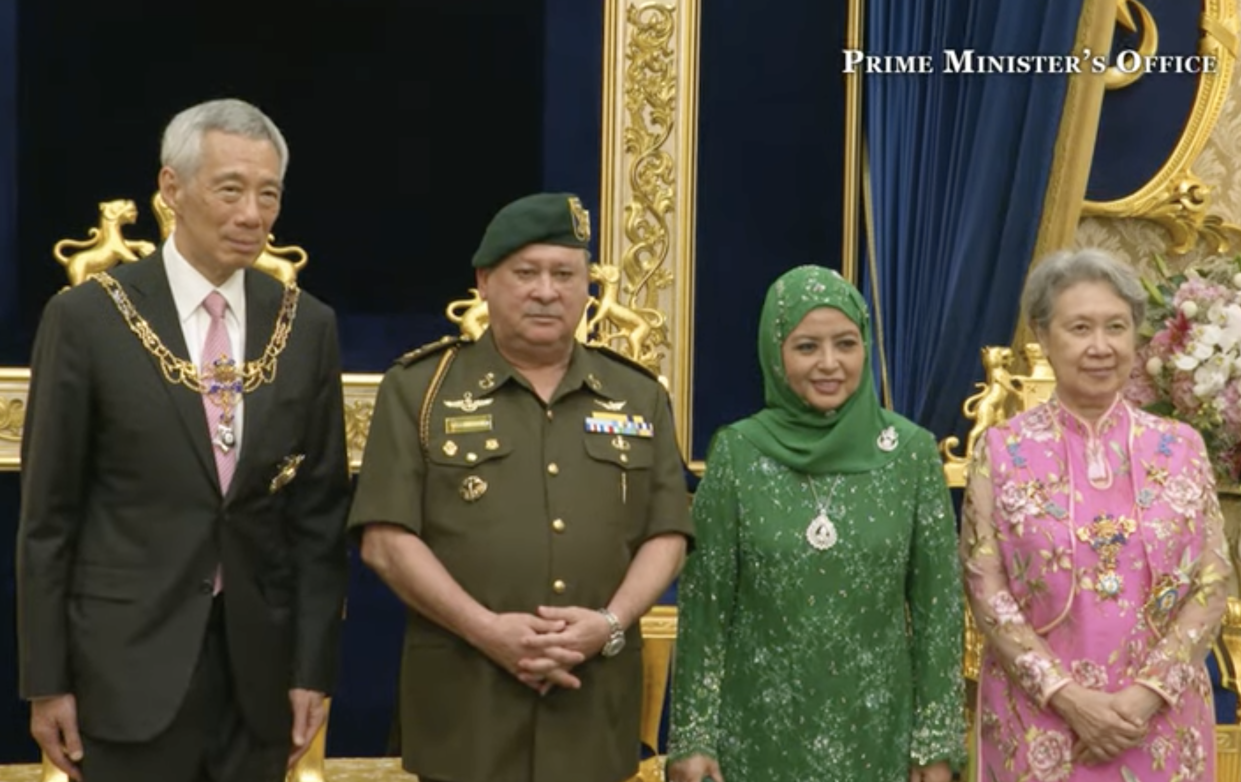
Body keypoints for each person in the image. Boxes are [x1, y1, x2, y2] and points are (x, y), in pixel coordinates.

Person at [16, 98, 351, 782]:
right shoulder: (88, 317)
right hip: (124, 668)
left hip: (259, 677)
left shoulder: (305, 324)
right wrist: (45, 681)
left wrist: (311, 669)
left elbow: (317, 519)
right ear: (172, 188)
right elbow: (48, 518)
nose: (252, 215)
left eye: (268, 195)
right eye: (230, 189)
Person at [347, 192, 693, 782]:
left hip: (593, 703)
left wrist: (606, 625)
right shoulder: (420, 390)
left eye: (565, 274)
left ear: (589, 288)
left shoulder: (638, 395)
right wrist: (490, 632)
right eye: (525, 273)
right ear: (485, 281)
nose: (546, 291)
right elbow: (385, 539)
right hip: (467, 704)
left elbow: (669, 534)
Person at [666, 265, 964, 782]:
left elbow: (938, 610)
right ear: (775, 352)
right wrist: (693, 737)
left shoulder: (911, 453)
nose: (830, 364)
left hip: (878, 735)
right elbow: (705, 609)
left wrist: (936, 744)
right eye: (806, 347)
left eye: (846, 344)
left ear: (866, 347)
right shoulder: (738, 453)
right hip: (756, 734)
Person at [961, 248, 1233, 781]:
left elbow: (1212, 580)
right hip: (1039, 721)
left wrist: (1144, 696)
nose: (1100, 347)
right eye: (1080, 327)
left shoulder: (1181, 446)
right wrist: (1067, 697)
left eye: (1116, 327)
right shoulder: (1000, 449)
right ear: (1042, 334)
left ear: (1136, 336)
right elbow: (983, 586)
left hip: (1158, 721)